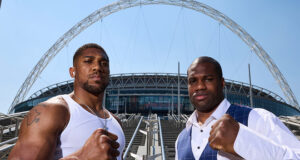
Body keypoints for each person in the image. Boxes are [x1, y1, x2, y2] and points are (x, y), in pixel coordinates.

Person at [8, 43, 125, 160]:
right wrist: (81, 157)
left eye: (104, 64)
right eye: (88, 61)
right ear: (72, 72)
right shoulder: (52, 111)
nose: (98, 67)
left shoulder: (116, 121)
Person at [175, 56, 300, 160]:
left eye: (208, 79)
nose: (199, 86)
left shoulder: (256, 118)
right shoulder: (181, 139)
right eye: (193, 81)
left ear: (222, 83)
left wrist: (243, 140)